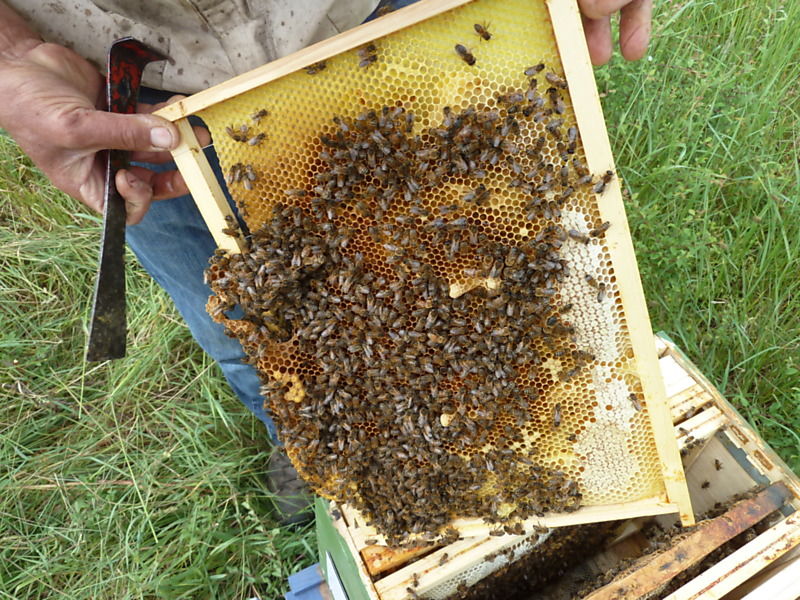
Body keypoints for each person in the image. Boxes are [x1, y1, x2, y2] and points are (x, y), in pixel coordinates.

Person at [0, 0, 652, 523]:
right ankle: (305, 437)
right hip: (143, 110)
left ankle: (516, 414)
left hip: (385, 26)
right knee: (254, 336)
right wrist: (13, 57)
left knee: (477, 274)